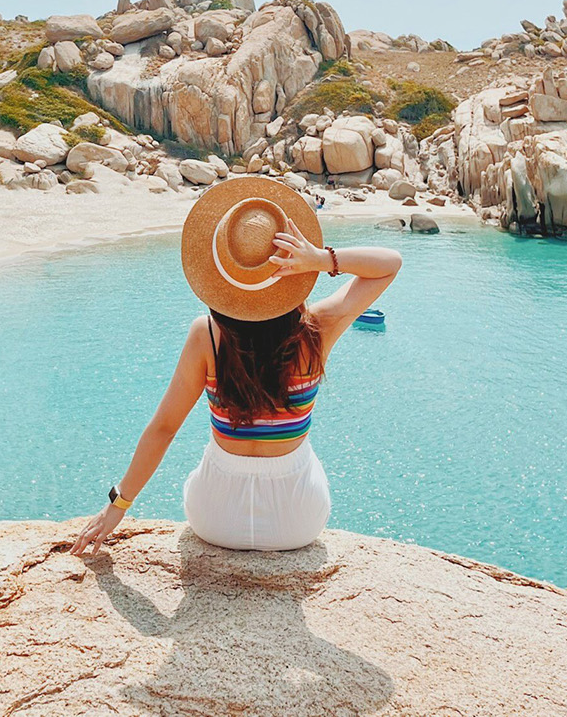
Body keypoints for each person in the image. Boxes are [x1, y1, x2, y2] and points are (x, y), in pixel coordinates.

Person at [71, 176, 401, 555]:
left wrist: (117, 506)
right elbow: (390, 264)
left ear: (219, 277)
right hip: (297, 523)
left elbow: (163, 428)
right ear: (292, 278)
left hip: (215, 520)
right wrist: (318, 258)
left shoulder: (207, 336)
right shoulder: (317, 329)